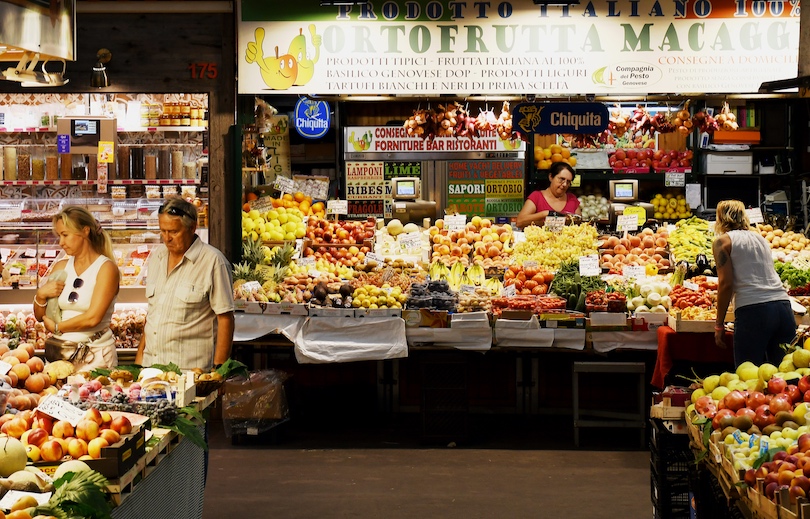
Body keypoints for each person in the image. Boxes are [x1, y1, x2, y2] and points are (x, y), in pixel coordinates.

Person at [135, 197, 235, 371]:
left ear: (192, 228)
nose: (167, 238)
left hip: (190, 371)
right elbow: (153, 315)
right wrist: (139, 362)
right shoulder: (157, 257)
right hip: (152, 369)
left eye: (173, 232)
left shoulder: (213, 262)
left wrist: (218, 370)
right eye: (162, 231)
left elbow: (225, 318)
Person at [33, 206, 119, 371]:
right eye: (59, 236)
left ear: (85, 231)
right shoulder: (61, 266)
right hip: (62, 354)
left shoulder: (106, 268)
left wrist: (58, 327)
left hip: (95, 355)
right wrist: (41, 295)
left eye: (65, 235)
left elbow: (93, 318)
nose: (61, 242)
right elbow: (40, 316)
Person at [713, 199, 795, 366]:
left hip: (754, 312)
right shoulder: (761, 239)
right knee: (785, 377)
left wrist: (719, 325)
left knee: (748, 376)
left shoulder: (722, 242)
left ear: (720, 219)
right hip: (783, 308)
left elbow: (726, 284)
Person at [516, 161, 582, 229]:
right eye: (561, 179)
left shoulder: (572, 199)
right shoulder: (537, 197)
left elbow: (580, 225)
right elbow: (520, 222)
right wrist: (546, 214)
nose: (565, 184)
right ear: (551, 177)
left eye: (568, 182)